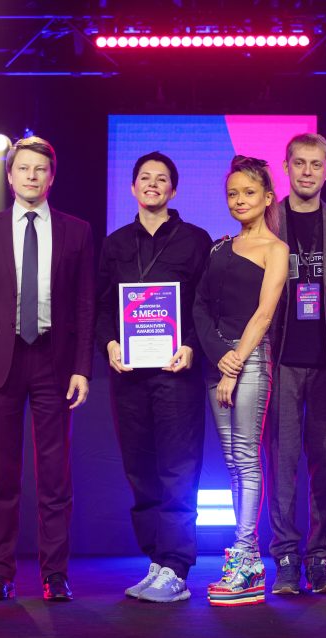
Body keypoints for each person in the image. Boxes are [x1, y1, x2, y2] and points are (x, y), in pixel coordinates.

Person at [0, 136, 95, 602]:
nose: (32, 176)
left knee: (54, 477)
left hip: (54, 362)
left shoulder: (77, 231)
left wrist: (82, 368)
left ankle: (55, 575)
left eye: (41, 169)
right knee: (2, 477)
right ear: (9, 174)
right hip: (1, 363)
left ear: (52, 176)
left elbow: (85, 305)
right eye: (23, 168)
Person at [95, 152, 212, 602]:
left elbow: (206, 305)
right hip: (128, 376)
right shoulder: (115, 243)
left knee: (178, 469)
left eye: (162, 179)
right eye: (144, 177)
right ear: (132, 187)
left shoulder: (195, 240)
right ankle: (157, 561)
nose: (152, 184)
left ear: (173, 190)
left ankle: (177, 568)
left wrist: (192, 347)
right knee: (140, 470)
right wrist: (110, 344)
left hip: (175, 373)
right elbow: (103, 306)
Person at [265, 133, 326, 595]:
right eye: (299, 163)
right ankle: (286, 557)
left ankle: (320, 558)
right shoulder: (267, 218)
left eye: (315, 164)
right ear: (285, 167)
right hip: (280, 360)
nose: (307, 171)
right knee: (281, 465)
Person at [194, 156, 288, 606]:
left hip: (249, 359)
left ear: (267, 198)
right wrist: (221, 358)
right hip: (220, 359)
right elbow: (200, 307)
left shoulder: (276, 249)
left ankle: (248, 559)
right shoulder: (218, 249)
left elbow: (264, 314)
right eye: (232, 193)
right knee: (233, 462)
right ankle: (244, 563)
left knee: (247, 459)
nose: (239, 200)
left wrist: (234, 363)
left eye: (248, 192)